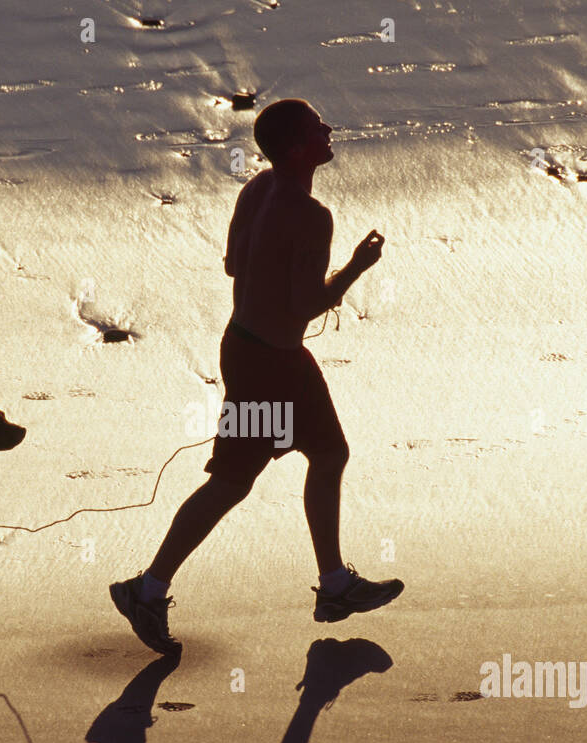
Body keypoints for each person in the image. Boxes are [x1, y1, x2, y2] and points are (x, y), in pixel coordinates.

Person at [111, 98, 403, 655]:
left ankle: (335, 586)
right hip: (266, 366)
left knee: (330, 453)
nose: (329, 129)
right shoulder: (311, 215)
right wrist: (355, 270)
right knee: (231, 482)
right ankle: (145, 590)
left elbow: (232, 265)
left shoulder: (256, 189)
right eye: (318, 127)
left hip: (259, 351)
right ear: (298, 148)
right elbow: (305, 304)